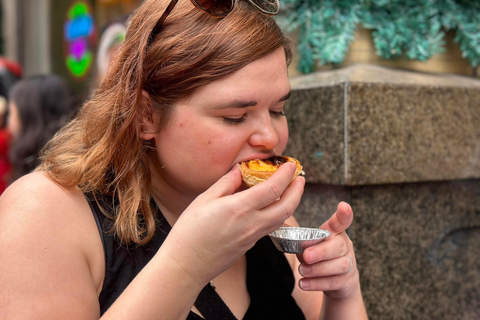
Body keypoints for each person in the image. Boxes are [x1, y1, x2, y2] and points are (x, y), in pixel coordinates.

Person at [0, 0, 368, 319]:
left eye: (278, 109)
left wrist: (343, 290)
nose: (270, 138)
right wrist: (188, 263)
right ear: (146, 115)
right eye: (234, 117)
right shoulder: (43, 213)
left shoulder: (265, 213)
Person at [6, 74, 77, 181]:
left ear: (28, 116)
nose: (9, 121)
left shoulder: (40, 171)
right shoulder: (73, 159)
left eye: (11, 112)